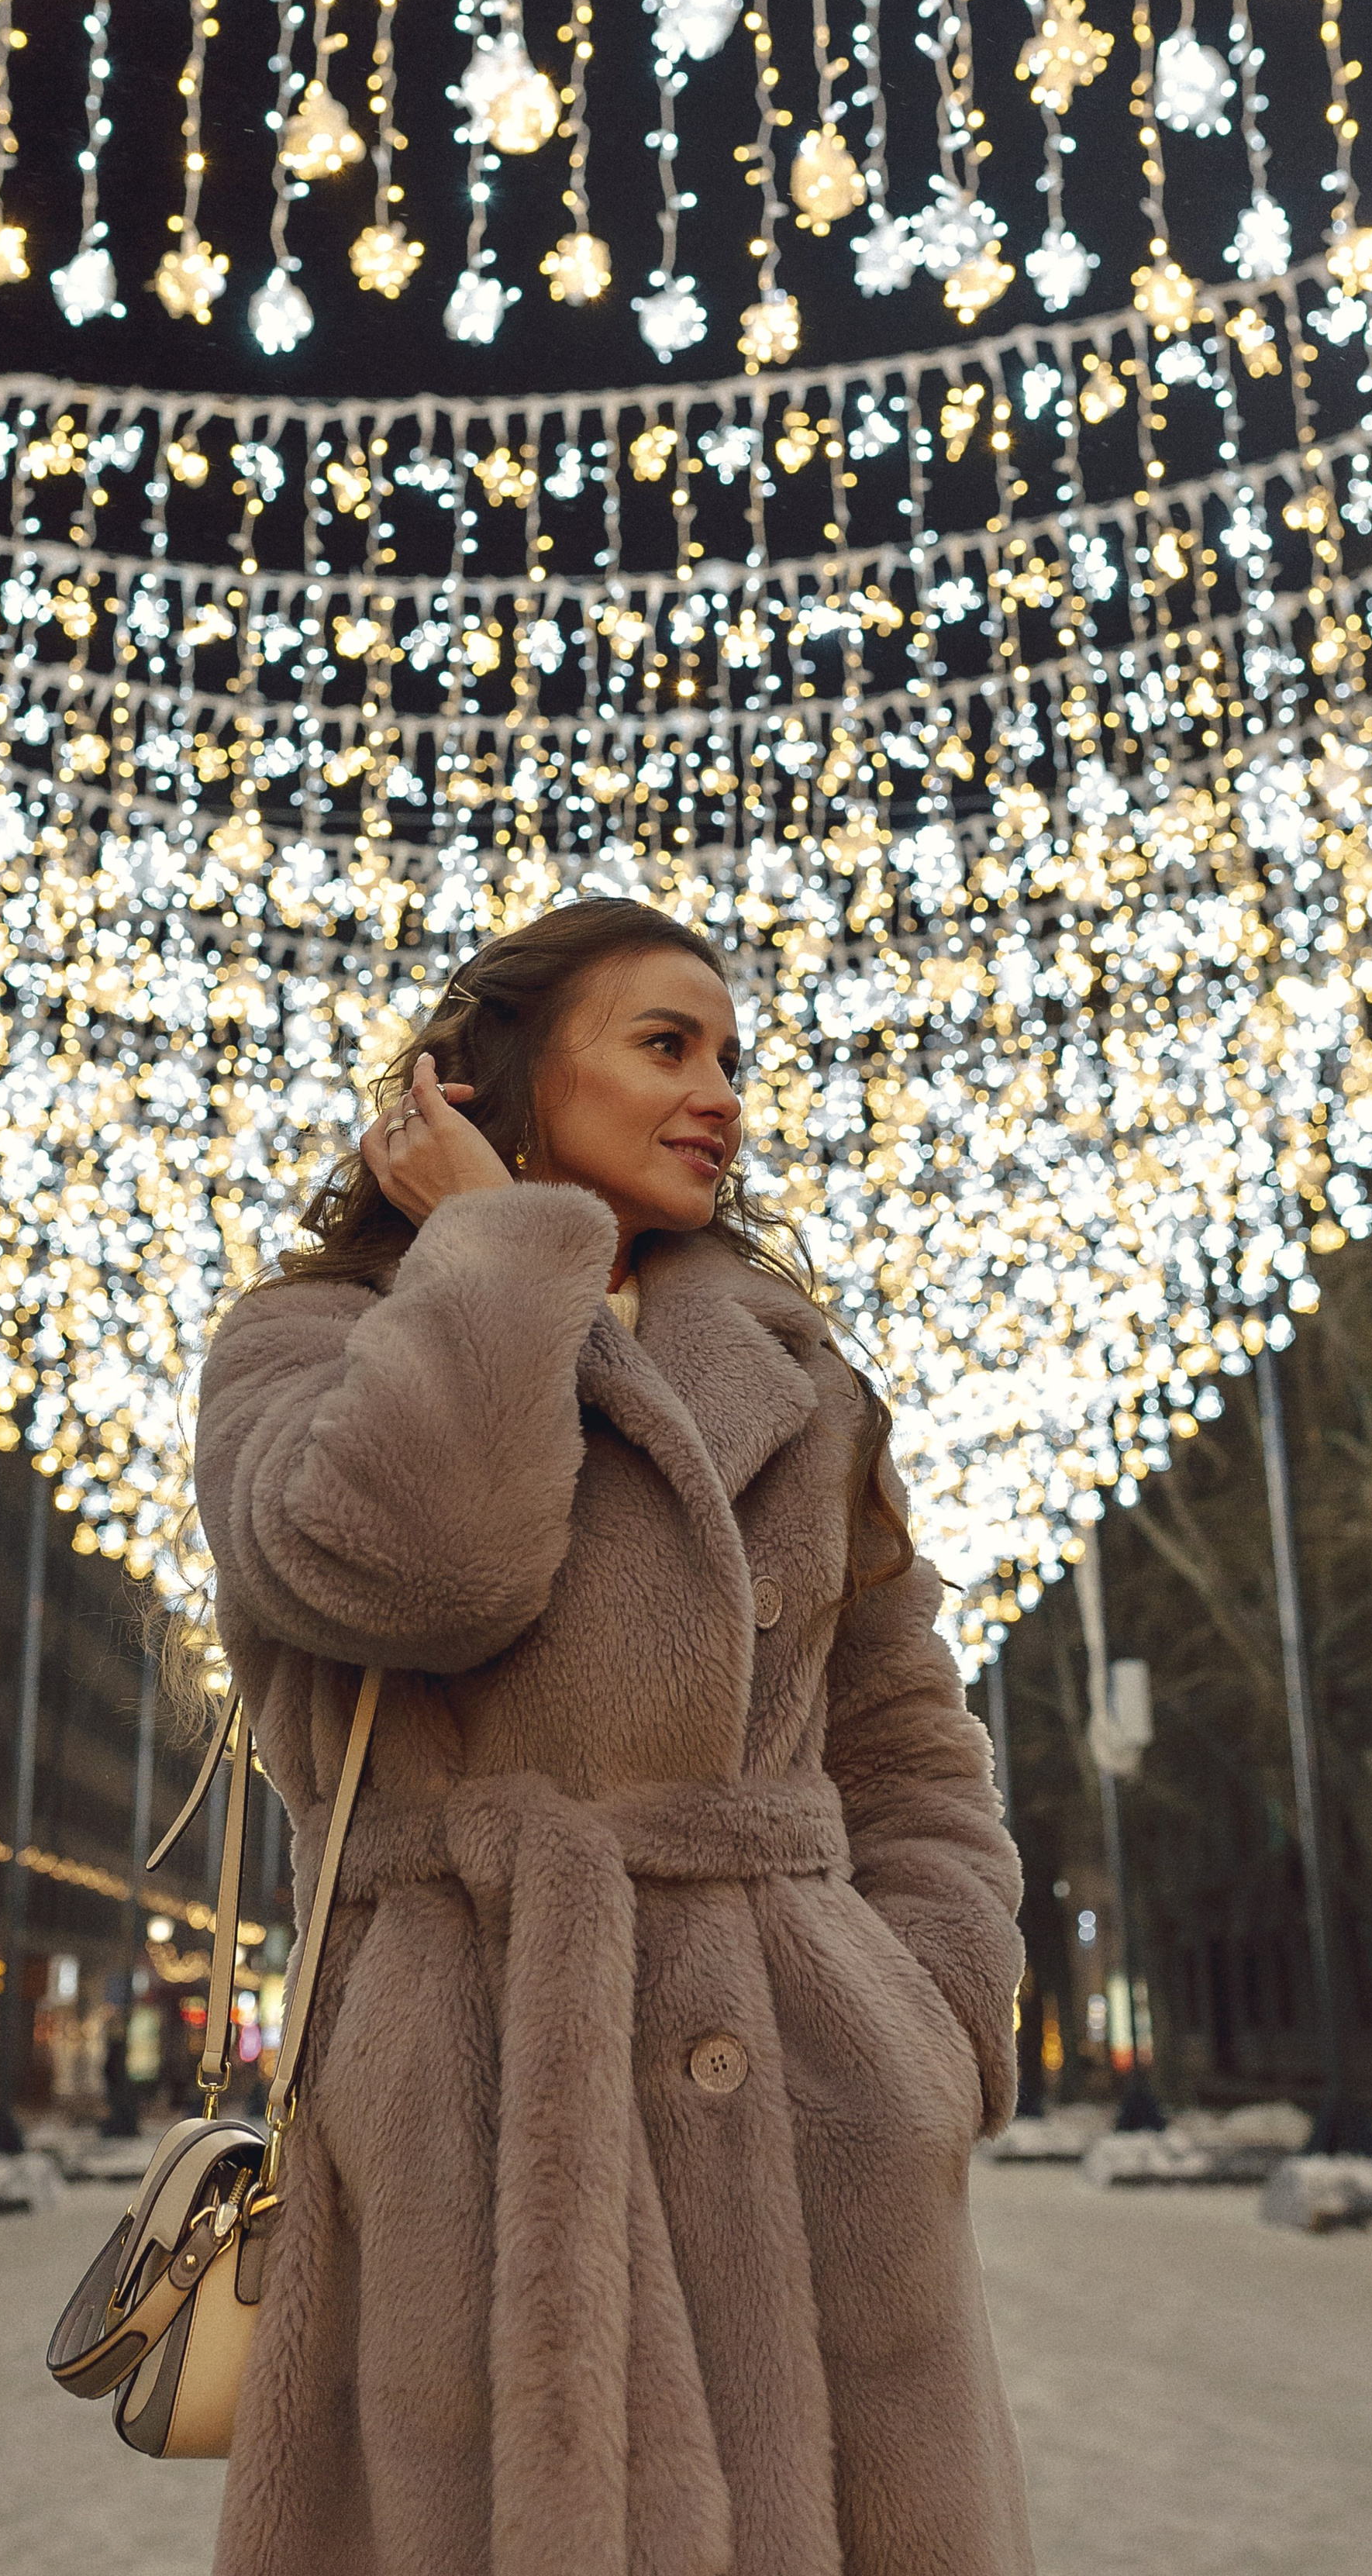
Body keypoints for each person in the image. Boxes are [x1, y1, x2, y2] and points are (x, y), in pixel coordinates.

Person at [193, 897, 1032, 2576]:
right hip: (467, 2098)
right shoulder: (302, 1349)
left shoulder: (804, 1386)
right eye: (664, 1046)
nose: (720, 1091)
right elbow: (419, 1574)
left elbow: (903, 1735)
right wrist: (497, 1251)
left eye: (729, 1055)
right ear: (493, 1081)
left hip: (820, 2127)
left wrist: (929, 2016)